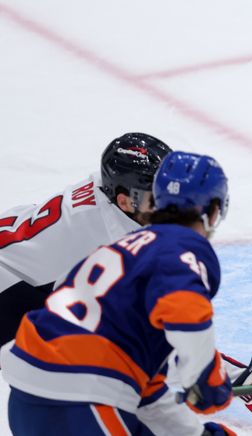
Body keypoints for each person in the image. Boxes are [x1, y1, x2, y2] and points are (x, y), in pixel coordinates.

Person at [1, 151, 252, 436]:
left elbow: (142, 379)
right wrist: (207, 379)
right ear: (214, 211)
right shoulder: (180, 249)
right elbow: (185, 319)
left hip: (31, 409)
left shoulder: (117, 249)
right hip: (79, 407)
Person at [0, 132, 170, 345]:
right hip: (8, 283)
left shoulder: (110, 187)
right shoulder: (110, 241)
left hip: (16, 251)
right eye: (157, 197)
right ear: (124, 201)